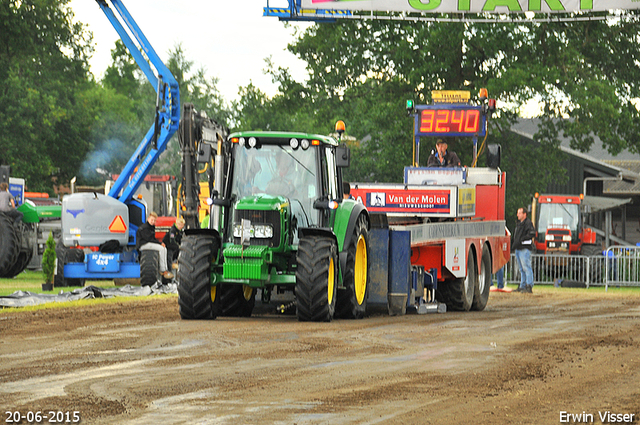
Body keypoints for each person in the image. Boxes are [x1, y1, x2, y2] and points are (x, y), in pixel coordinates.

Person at [136, 211, 173, 279]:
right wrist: (160, 243)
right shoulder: (144, 228)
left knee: (164, 248)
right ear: (148, 219)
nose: (153, 221)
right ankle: (163, 269)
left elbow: (152, 238)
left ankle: (164, 268)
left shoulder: (152, 227)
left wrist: (160, 243)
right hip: (143, 244)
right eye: (151, 220)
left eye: (154, 220)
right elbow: (149, 239)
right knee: (162, 248)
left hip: (148, 242)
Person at [512, 207, 536, 293]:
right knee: (522, 269)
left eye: (519, 213)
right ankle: (523, 285)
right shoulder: (519, 224)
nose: (517, 215)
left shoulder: (528, 223)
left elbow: (532, 233)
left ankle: (529, 285)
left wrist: (522, 240)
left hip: (524, 249)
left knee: (526, 267)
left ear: (524, 214)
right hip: (518, 248)